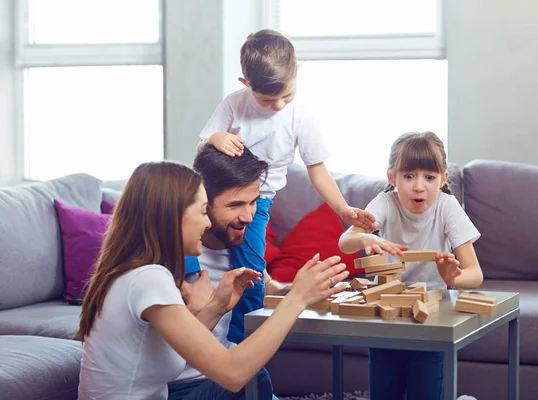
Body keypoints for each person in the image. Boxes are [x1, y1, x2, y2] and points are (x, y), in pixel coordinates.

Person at [77, 161, 349, 399]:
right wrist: (296, 299)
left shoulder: (133, 272)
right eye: (202, 211)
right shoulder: (149, 278)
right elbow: (233, 374)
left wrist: (217, 306)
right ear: (172, 216)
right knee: (253, 380)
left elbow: (169, 352)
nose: (207, 224)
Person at [194, 29, 376, 344]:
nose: (278, 105)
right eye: (267, 99)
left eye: (286, 95)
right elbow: (200, 152)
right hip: (216, 198)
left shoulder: (301, 116)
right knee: (211, 260)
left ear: (298, 72)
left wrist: (343, 210)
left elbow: (318, 172)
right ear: (245, 84)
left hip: (258, 201)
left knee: (249, 270)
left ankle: (241, 340)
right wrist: (213, 139)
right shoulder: (234, 104)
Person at [338, 131, 484, 400]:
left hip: (432, 317)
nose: (419, 186)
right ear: (391, 178)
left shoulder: (447, 206)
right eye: (408, 176)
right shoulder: (384, 202)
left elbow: (475, 274)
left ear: (443, 179)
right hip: (387, 313)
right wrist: (364, 235)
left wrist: (453, 278)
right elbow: (344, 242)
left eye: (429, 177)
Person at [169, 145, 286, 399]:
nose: (248, 216)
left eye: (253, 202)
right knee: (254, 378)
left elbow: (269, 288)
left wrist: (305, 289)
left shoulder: (241, 250)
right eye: (235, 205)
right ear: (204, 203)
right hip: (181, 387)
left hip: (221, 380)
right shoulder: (174, 259)